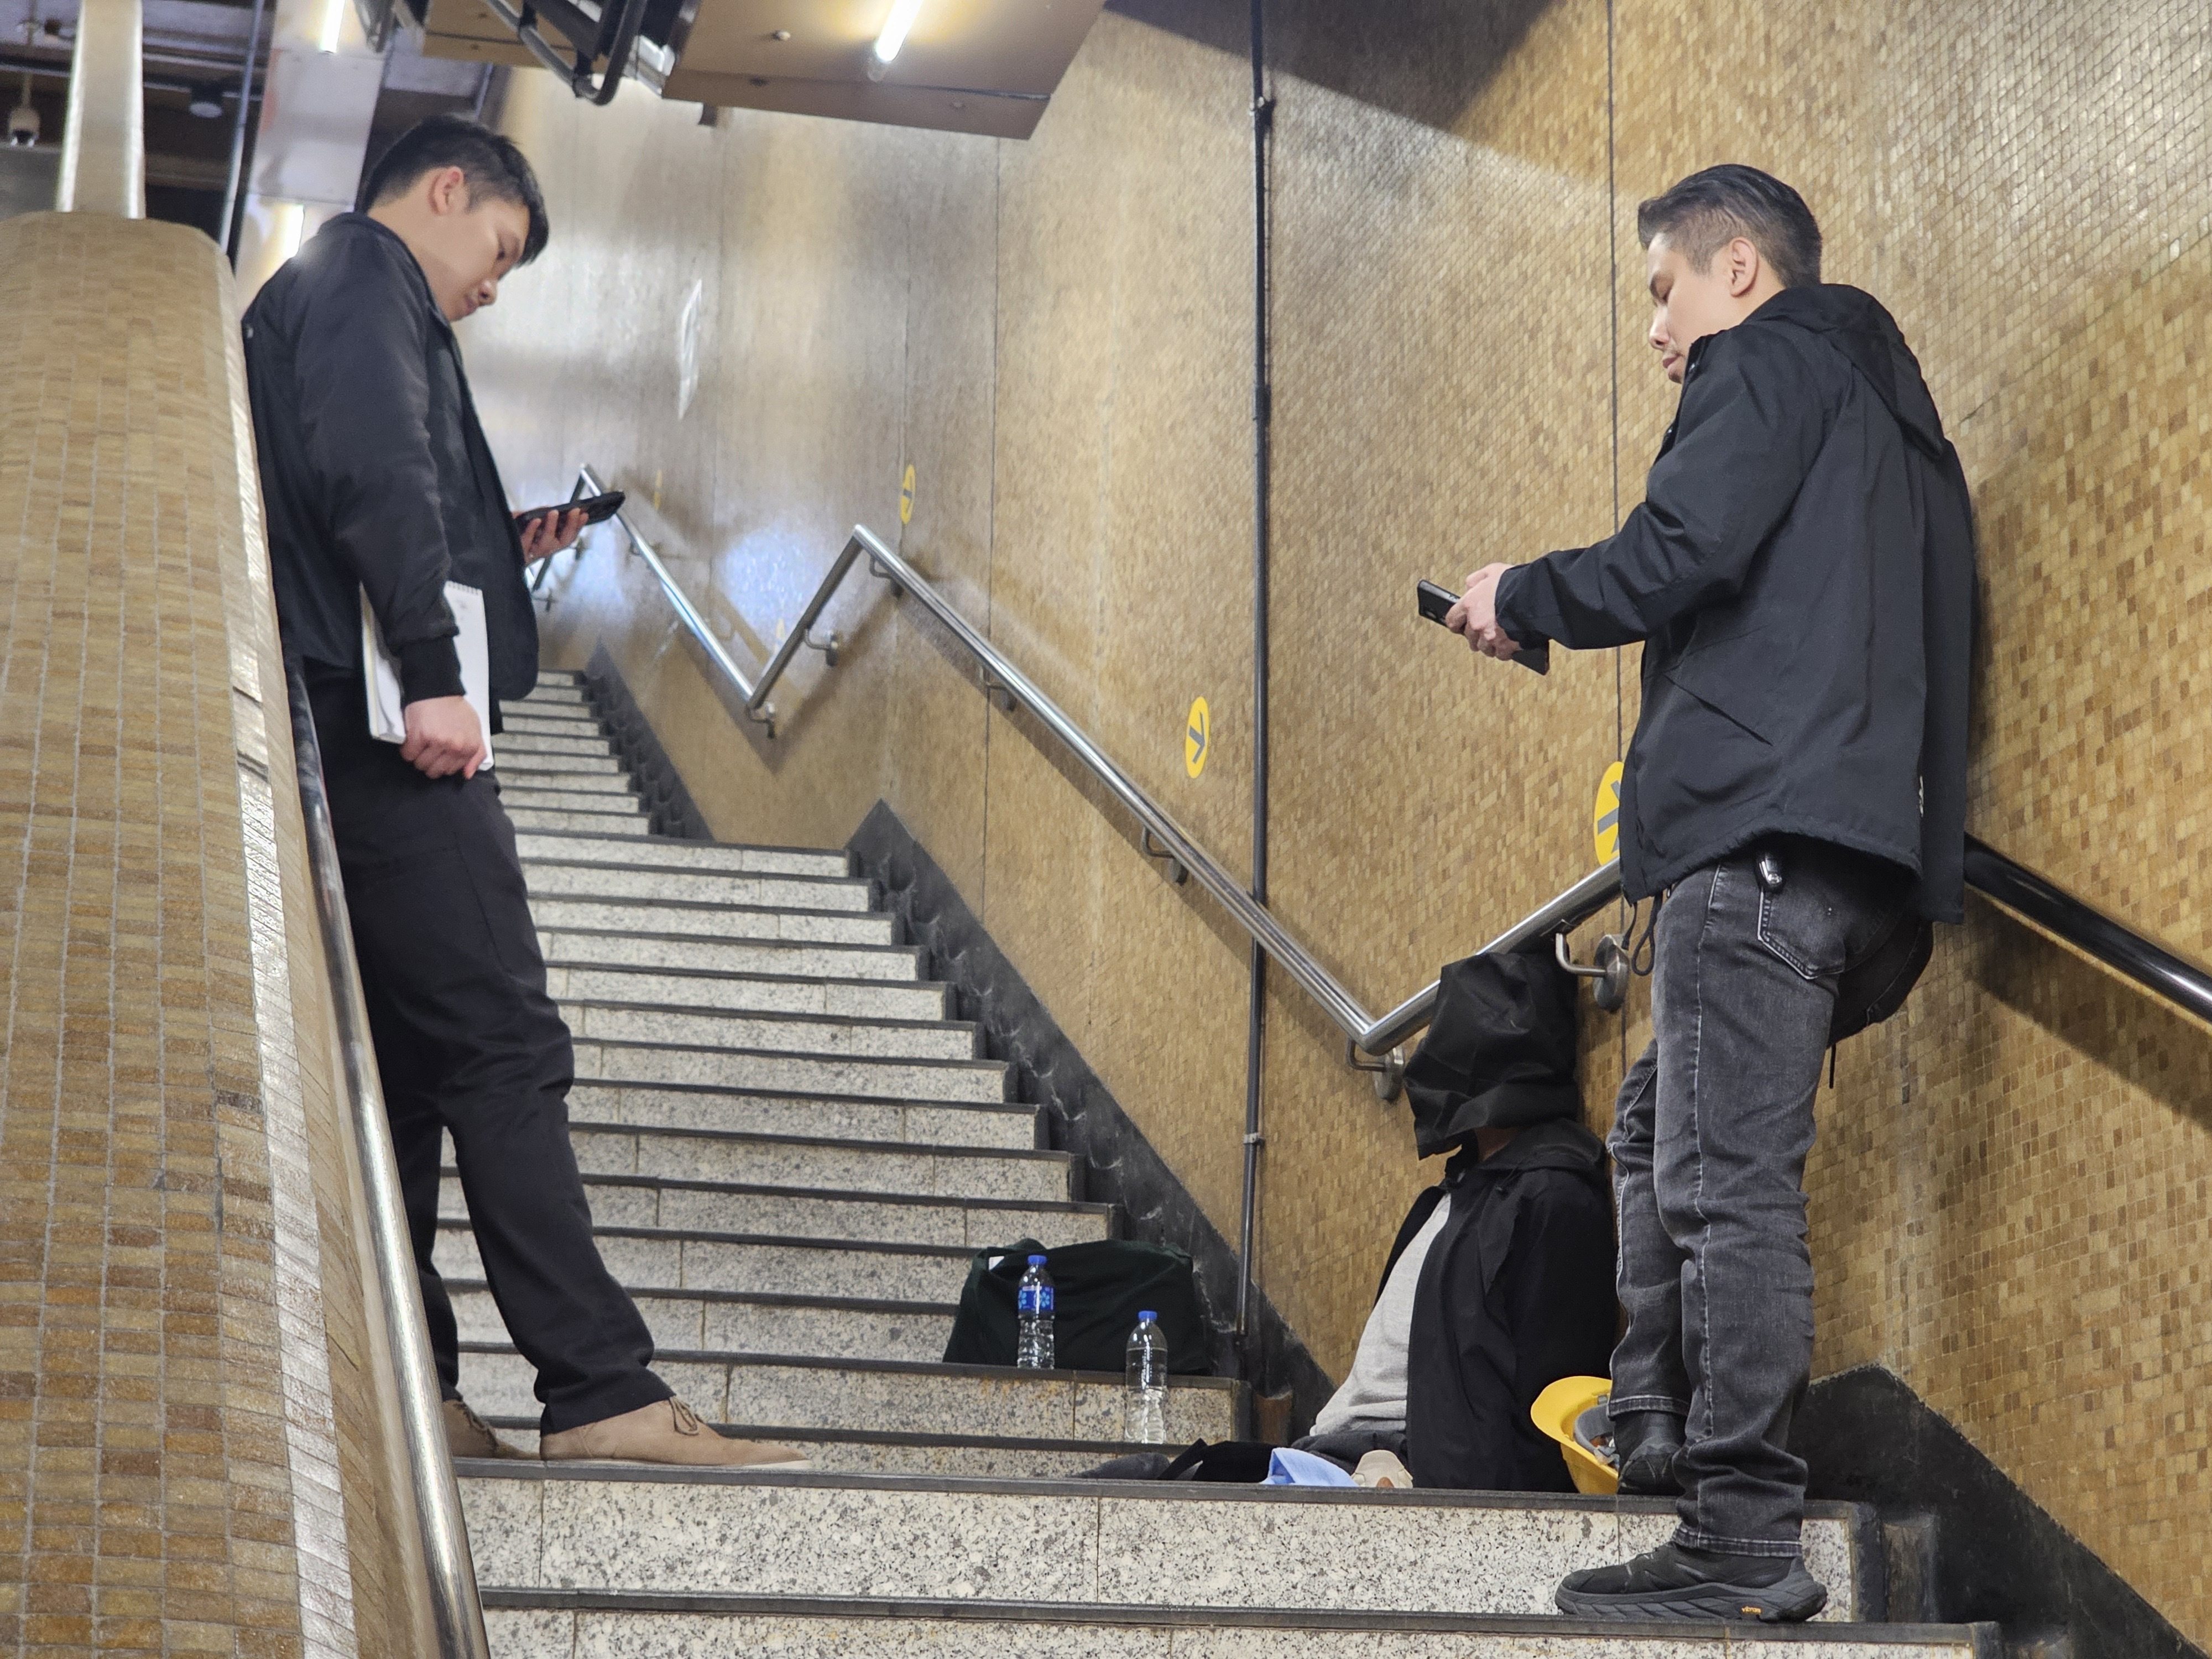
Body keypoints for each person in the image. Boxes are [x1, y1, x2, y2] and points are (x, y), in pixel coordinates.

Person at [1447, 164, 1975, 1621]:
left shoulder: (1766, 365)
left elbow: (1679, 551)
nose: (1659, 330)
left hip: (1759, 846)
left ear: (1739, 270)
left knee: (1726, 1183)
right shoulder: (1897, 425)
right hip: (1864, 863)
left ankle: (1740, 1527)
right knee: (1648, 1123)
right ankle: (1654, 1413)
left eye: (1663, 291)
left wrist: (1525, 594)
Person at [242, 115, 804, 1469]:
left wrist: (502, 545)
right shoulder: (363, 272)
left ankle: (418, 1386)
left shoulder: (307, 301)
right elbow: (377, 461)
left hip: (338, 736)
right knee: (503, 1040)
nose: (492, 286)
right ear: (447, 192)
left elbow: (355, 481)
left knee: (418, 1077)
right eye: (496, 251)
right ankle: (602, 1391)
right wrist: (436, 670)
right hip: (387, 744)